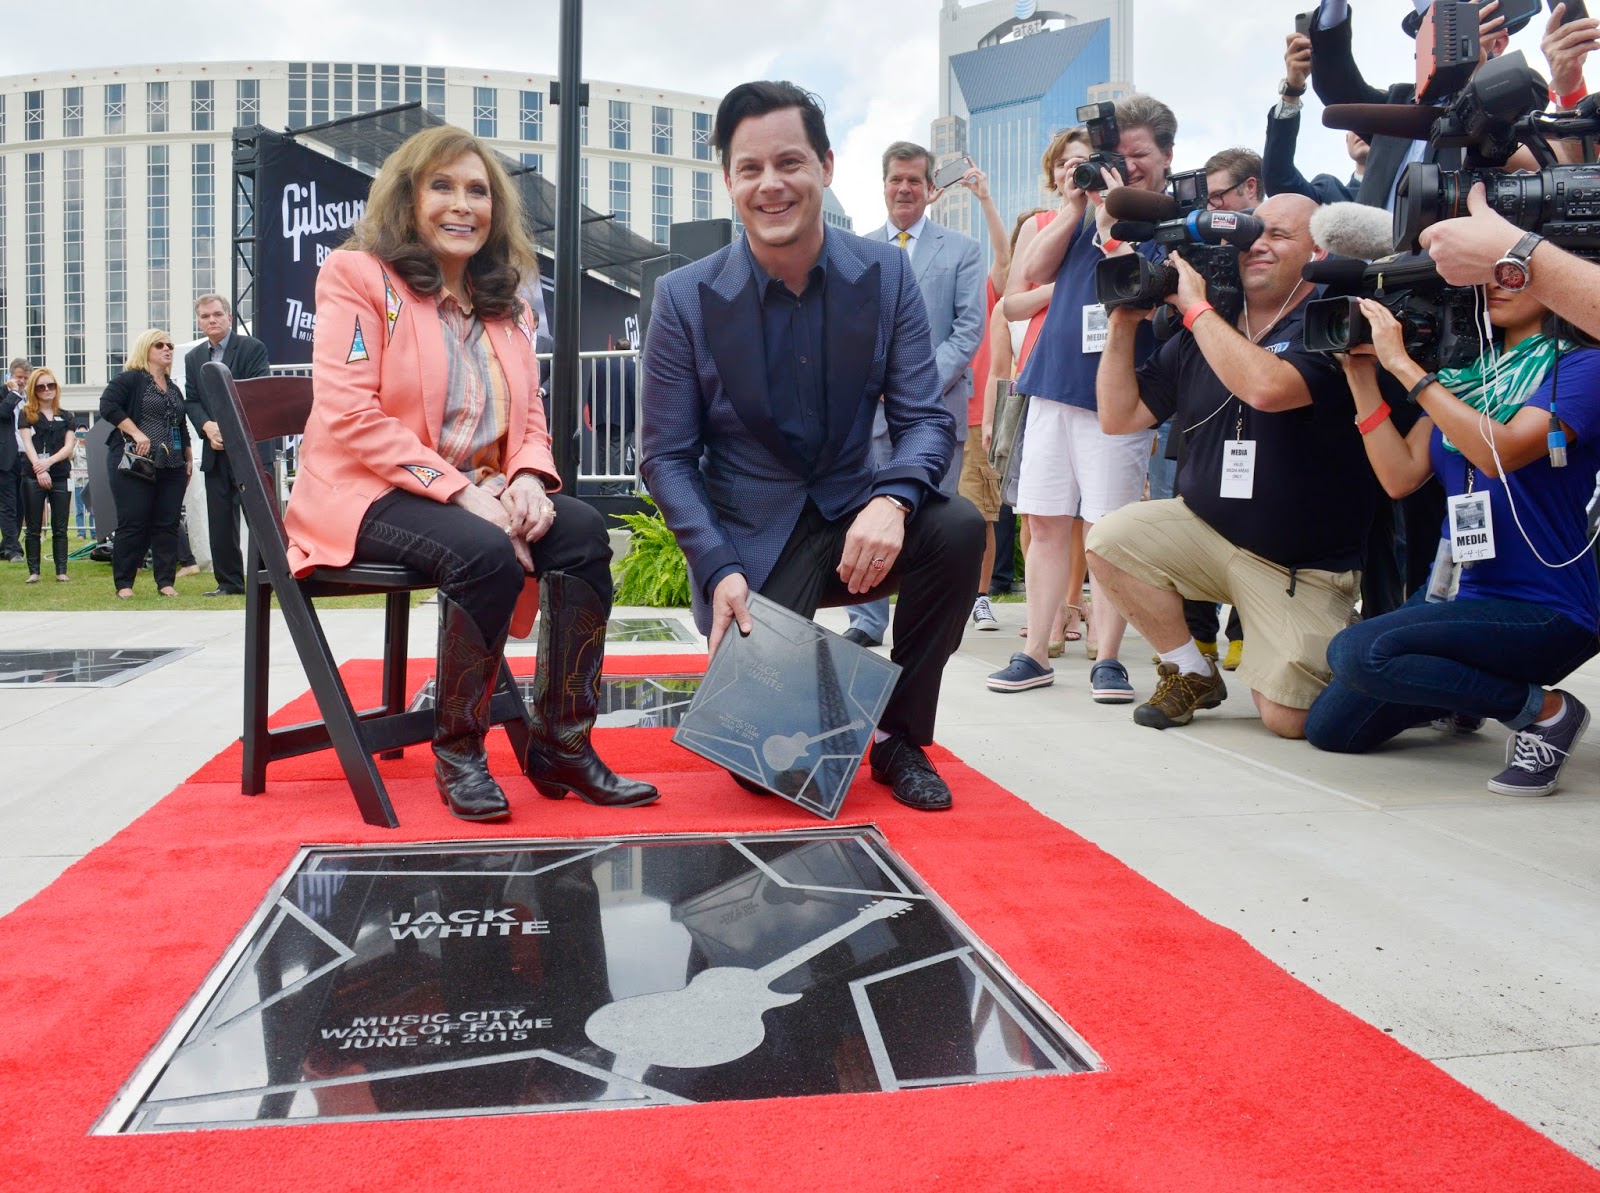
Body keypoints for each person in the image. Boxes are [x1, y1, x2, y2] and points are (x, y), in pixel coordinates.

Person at [282, 124, 656, 822]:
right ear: (408, 199)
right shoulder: (358, 277)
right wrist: (462, 494)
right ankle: (460, 754)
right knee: (483, 550)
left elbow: (531, 417)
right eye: (442, 187)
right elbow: (349, 412)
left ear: (495, 210)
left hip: (473, 494)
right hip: (365, 491)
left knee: (579, 532)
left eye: (477, 191)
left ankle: (563, 744)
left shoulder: (506, 306)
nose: (462, 205)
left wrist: (527, 480)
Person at [639, 80, 985, 812]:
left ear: (826, 166)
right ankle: (809, 688)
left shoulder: (885, 274)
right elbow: (665, 457)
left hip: (855, 515)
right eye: (750, 168)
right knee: (762, 766)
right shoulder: (685, 298)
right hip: (751, 545)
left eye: (789, 162)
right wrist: (716, 566)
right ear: (729, 180)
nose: (771, 184)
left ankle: (900, 737)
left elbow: (926, 418)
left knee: (957, 527)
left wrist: (894, 499)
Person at [1089, 194, 1373, 739]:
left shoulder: (1332, 320)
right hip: (1208, 535)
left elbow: (1268, 388)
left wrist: (1196, 310)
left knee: (1289, 720)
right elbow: (1118, 417)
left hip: (1298, 566)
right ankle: (1191, 671)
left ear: (1318, 250)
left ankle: (1343, 635)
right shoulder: (1208, 325)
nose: (1258, 245)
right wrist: (1124, 321)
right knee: (1110, 539)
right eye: (1250, 234)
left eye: (1279, 235)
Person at [1308, 289, 1600, 796]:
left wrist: (1406, 368)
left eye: (1515, 274)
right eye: (1489, 276)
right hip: (1455, 592)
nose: (1498, 285)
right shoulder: (1467, 376)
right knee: (1332, 730)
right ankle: (1467, 693)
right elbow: (1400, 476)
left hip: (1545, 606)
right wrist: (1361, 375)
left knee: (1358, 652)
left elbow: (1499, 453)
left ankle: (1547, 714)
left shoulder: (1582, 367)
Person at [986, 96, 1178, 701]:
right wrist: (1075, 205)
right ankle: (1033, 652)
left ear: (1166, 157)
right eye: (1118, 155)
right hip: (1051, 385)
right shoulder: (1081, 215)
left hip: (1117, 400)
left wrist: (1113, 228)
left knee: (1106, 531)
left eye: (1139, 155)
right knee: (1044, 523)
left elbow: (1146, 294)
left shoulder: (1169, 222)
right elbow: (1027, 277)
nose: (1126, 165)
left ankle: (1109, 658)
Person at [841, 140, 984, 650]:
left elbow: (968, 330)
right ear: (884, 185)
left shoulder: (963, 250)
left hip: (937, 409)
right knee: (865, 511)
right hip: (868, 414)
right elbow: (844, 331)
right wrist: (872, 385)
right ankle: (865, 620)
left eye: (914, 180)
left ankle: (923, 626)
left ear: (929, 188)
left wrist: (909, 384)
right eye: (896, 179)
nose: (905, 188)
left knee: (935, 520)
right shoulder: (853, 250)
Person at [183, 293, 271, 596]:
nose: (212, 320)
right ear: (199, 322)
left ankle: (269, 580)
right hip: (215, 451)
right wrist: (207, 427)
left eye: (217, 314)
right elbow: (192, 401)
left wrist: (229, 429)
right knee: (220, 521)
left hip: (250, 448)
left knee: (260, 519)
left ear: (229, 318)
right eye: (205, 316)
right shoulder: (193, 358)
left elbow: (258, 393)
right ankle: (229, 583)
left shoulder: (252, 348)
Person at [100, 330, 192, 599]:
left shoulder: (173, 388)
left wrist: (187, 457)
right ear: (145, 349)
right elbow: (108, 405)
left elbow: (181, 425)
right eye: (159, 345)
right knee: (133, 521)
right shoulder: (131, 379)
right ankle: (124, 584)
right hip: (135, 463)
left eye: (169, 345)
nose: (167, 349)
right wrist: (136, 432)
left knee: (168, 523)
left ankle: (165, 582)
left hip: (172, 464)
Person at [1263, 26, 1367, 206]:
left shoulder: (1418, 173)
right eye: (1354, 122)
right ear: (1346, 139)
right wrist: (1292, 91)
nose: (1361, 128)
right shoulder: (1331, 196)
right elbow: (1280, 180)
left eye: (1373, 120)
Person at [18, 368, 75, 583]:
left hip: (60, 474)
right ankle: (34, 572)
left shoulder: (67, 416)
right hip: (33, 475)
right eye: (41, 386)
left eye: (50, 385)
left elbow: (68, 447)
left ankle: (61, 570)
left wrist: (48, 463)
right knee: (33, 527)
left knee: (60, 527)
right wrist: (39, 469)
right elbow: (27, 444)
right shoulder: (27, 414)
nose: (46, 390)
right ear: (34, 390)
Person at [0, 358, 26, 562]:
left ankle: (6, 546)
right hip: (6, 458)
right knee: (8, 504)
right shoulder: (4, 394)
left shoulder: (29, 399)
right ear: (10, 376)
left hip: (25, 458)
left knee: (21, 505)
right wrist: (14, 393)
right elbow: (3, 412)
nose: (22, 381)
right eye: (19, 377)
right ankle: (12, 549)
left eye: (26, 378)